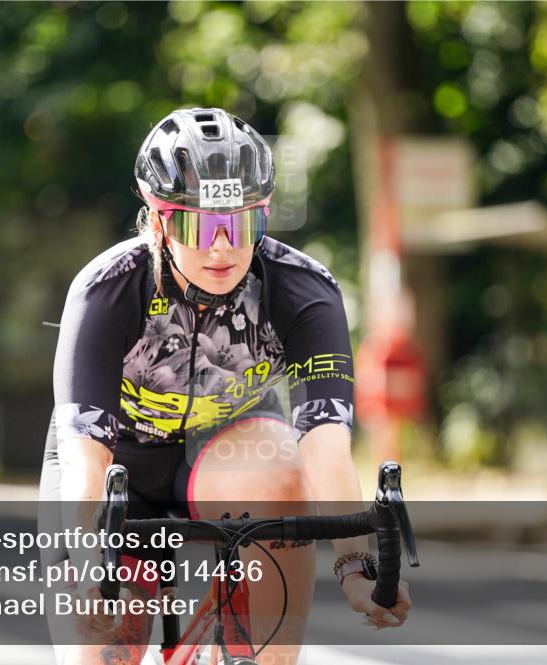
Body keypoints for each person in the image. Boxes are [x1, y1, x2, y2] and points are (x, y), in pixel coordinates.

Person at [40, 107, 411, 665]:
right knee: (97, 649)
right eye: (199, 227)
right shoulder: (108, 289)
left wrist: (356, 567)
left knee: (281, 469)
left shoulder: (303, 291)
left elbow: (325, 449)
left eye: (241, 225)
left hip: (229, 454)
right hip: (116, 468)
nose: (222, 248)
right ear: (159, 222)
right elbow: (85, 458)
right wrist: (91, 565)